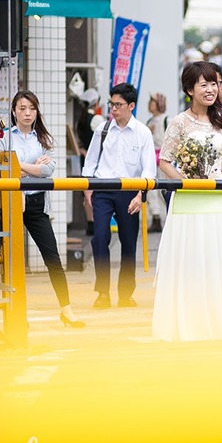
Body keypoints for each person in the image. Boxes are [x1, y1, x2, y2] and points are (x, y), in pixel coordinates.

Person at [151, 62, 222, 342]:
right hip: (188, 201)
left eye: (214, 84)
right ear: (189, 89)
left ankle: (217, 323)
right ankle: (187, 323)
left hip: (217, 199)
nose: (210, 90)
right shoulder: (179, 122)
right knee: (190, 259)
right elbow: (164, 161)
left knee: (216, 259)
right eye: (203, 84)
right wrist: (185, 179)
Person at [0, 90, 84, 328]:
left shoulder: (42, 138)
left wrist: (18, 166)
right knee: (8, 259)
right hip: (11, 202)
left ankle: (67, 309)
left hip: (36, 203)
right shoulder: (5, 138)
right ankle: (13, 315)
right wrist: (31, 166)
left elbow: (47, 170)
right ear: (13, 111)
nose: (27, 113)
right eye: (22, 108)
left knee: (52, 257)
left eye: (32, 108)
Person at [81, 82, 156, 310]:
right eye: (111, 104)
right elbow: (90, 163)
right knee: (99, 237)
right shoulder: (102, 130)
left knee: (128, 243)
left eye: (118, 105)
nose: (113, 109)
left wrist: (139, 196)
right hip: (103, 191)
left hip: (130, 193)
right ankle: (102, 292)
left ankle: (126, 294)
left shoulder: (143, 133)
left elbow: (149, 170)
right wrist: (88, 191)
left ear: (131, 106)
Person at [146, 93, 168, 232]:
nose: (150, 104)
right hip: (150, 157)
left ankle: (165, 217)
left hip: (163, 158)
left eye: (152, 102)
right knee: (150, 189)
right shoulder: (149, 121)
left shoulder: (166, 119)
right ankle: (155, 217)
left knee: (163, 189)